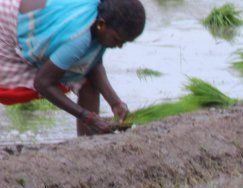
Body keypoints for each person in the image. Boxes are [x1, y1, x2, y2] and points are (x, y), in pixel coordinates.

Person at [0, 0, 145, 135]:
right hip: (7, 26)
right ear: (101, 24)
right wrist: (86, 116)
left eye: (124, 42)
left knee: (87, 83)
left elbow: (93, 64)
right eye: (117, 40)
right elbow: (42, 83)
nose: (119, 46)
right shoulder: (78, 39)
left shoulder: (100, 19)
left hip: (31, 19)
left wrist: (116, 103)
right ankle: (88, 139)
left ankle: (88, 146)